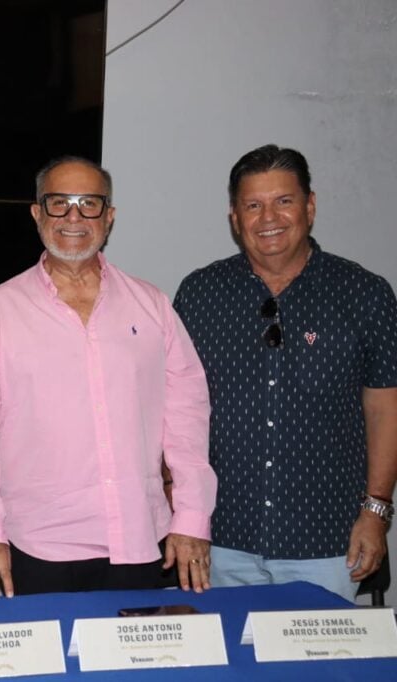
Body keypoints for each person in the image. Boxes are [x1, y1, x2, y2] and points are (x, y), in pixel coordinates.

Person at [0, 157, 217, 598]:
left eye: (88, 204)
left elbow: (187, 418)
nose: (74, 217)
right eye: (59, 203)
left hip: (139, 540)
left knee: (139, 668)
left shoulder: (152, 307)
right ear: (37, 214)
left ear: (108, 217)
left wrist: (191, 517)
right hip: (35, 547)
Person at [174, 144, 397, 601]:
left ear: (310, 206)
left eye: (284, 201)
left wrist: (375, 513)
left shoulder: (365, 294)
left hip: (328, 544)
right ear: (234, 218)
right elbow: (173, 410)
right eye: (252, 205)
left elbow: (384, 409)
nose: (268, 217)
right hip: (218, 540)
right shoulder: (199, 295)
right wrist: (180, 517)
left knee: (323, 672)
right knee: (227, 672)